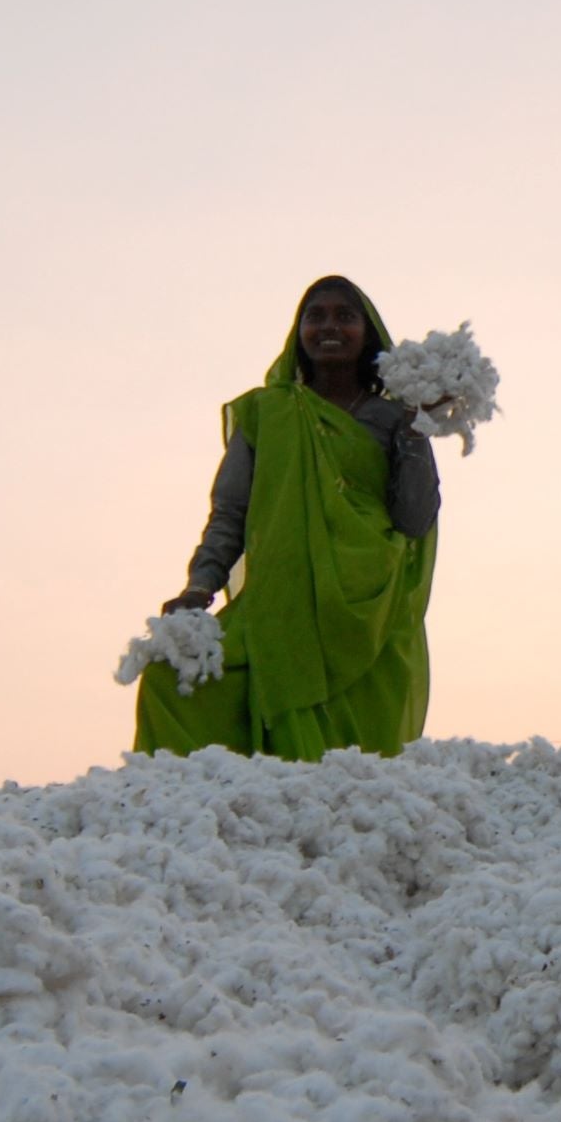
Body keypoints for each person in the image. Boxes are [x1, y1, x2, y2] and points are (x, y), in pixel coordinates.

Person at [136, 274, 438, 762]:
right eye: (314, 316)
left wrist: (416, 429)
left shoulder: (394, 418)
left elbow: (414, 520)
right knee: (169, 681)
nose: (329, 327)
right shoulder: (266, 413)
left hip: (369, 613)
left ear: (369, 333)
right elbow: (231, 511)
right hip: (280, 608)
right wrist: (199, 586)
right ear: (297, 333)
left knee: (355, 765)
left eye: (345, 316)